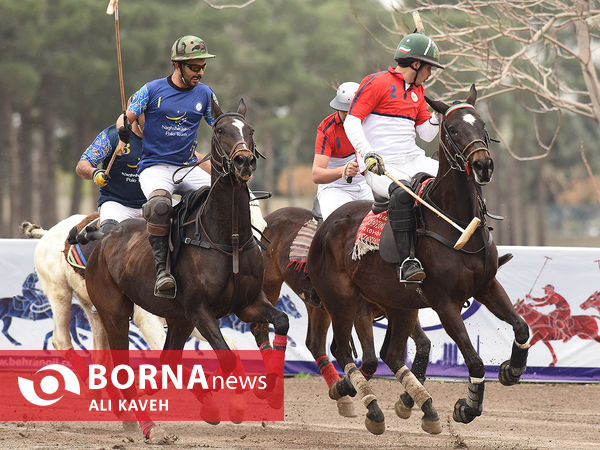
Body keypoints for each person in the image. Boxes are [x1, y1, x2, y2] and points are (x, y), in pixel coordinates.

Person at [116, 35, 217, 297]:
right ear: (177, 65)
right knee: (160, 206)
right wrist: (123, 129)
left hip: (187, 166)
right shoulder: (151, 90)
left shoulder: (205, 94)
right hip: (155, 167)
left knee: (221, 197)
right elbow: (124, 118)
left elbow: (220, 125)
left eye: (203, 66)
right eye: (195, 67)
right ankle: (163, 271)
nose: (201, 72)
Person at [343, 32, 443, 283]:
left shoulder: (418, 92)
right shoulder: (377, 82)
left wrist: (438, 116)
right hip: (381, 163)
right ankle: (407, 261)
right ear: (416, 64)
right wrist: (367, 154)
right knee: (402, 192)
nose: (430, 74)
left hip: (412, 158)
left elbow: (426, 135)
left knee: (453, 177)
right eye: (429, 67)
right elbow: (352, 121)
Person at [76, 107, 146, 239]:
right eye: (148, 114)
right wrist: (95, 173)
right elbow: (82, 165)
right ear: (135, 116)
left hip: (152, 203)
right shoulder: (112, 135)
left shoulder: (163, 137)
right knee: (109, 238)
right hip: (117, 204)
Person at [312, 82, 373, 220]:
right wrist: (343, 171)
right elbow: (316, 175)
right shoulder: (327, 130)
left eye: (352, 111)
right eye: (344, 110)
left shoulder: (369, 123)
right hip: (334, 189)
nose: (348, 115)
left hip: (365, 186)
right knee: (340, 224)